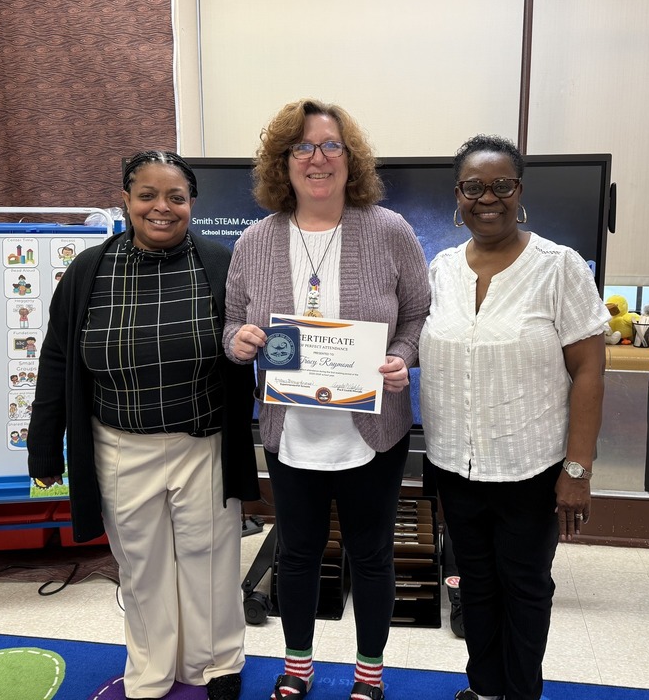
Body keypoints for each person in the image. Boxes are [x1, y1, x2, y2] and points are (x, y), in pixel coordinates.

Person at [26, 150, 259, 700]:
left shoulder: (222, 264)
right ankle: (151, 669)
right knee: (142, 566)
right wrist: (43, 446)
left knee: (210, 562)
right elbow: (57, 358)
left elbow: (254, 344)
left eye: (175, 197)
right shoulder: (88, 271)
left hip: (201, 443)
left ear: (192, 204)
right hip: (119, 446)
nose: (162, 207)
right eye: (147, 195)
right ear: (126, 200)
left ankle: (217, 664)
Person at [223, 99, 430, 700]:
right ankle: (298, 667)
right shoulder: (255, 242)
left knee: (371, 556)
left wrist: (402, 358)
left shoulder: (389, 231)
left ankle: (369, 673)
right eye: (302, 148)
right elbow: (233, 324)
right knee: (297, 554)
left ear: (350, 158)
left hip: (372, 433)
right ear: (282, 163)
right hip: (291, 433)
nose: (317, 158)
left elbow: (417, 314)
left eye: (330, 146)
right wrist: (239, 342)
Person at [419, 135, 608, 700]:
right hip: (455, 464)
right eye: (474, 187)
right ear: (458, 195)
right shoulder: (442, 268)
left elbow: (591, 373)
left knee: (524, 587)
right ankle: (484, 689)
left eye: (502, 185)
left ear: (519, 191)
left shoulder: (558, 267)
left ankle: (521, 693)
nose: (488, 198)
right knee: (474, 585)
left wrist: (577, 470)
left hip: (531, 466)